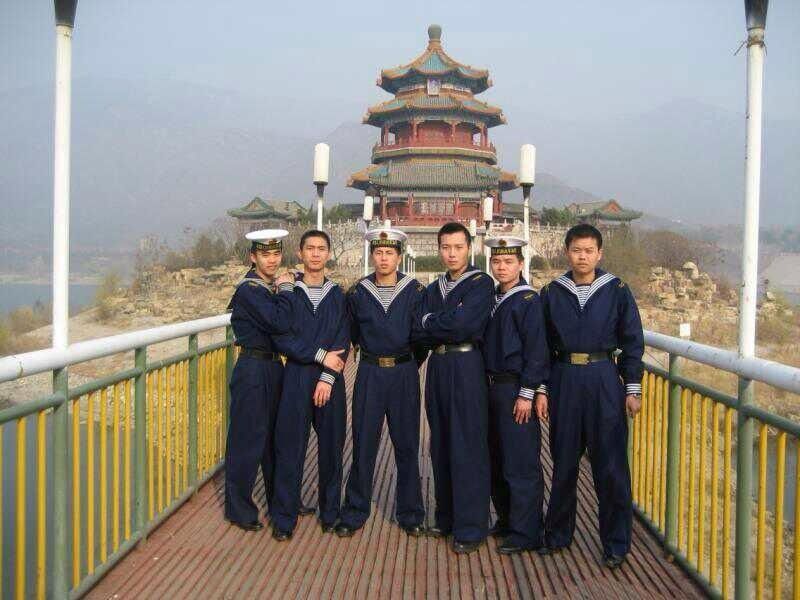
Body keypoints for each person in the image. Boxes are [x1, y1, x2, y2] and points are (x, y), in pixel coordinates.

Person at [537, 223, 644, 568]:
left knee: (610, 465)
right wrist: (541, 389)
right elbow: (541, 346)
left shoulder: (617, 290)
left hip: (603, 378)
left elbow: (632, 340)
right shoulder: (552, 292)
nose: (582, 257)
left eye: (588, 251)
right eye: (576, 250)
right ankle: (557, 535)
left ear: (599, 254)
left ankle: (616, 544)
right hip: (564, 377)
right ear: (566, 252)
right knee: (564, 461)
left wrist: (632, 387)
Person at [335, 228, 426, 538]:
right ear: (372, 255)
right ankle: (355, 511)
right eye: (378, 252)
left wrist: (408, 362)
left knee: (407, 444)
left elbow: (421, 338)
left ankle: (411, 513)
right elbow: (352, 335)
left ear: (399, 256)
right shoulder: (358, 293)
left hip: (403, 373)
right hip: (370, 373)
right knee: (363, 443)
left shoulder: (415, 291)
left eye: (389, 253)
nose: (384, 258)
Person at [416, 221, 493, 554]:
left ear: (470, 248)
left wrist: (433, 322)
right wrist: (441, 323)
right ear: (439, 249)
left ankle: (471, 527)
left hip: (466, 365)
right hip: (438, 366)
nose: (452, 254)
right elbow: (418, 328)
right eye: (446, 247)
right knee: (442, 443)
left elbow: (466, 325)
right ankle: (446, 517)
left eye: (458, 247)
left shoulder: (480, 283)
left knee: (468, 444)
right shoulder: (434, 288)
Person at [270, 229, 350, 540]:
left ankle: (330, 513)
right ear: (300, 254)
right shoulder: (289, 293)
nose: (315, 254)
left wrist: (328, 377)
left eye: (321, 248)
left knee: (332, 448)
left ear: (328, 253)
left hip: (330, 380)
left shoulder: (338, 295)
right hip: (297, 375)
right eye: (310, 248)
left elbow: (343, 338)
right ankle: (284, 519)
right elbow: (282, 337)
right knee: (289, 448)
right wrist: (319, 356)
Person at [224, 229, 298, 531]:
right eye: (265, 254)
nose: (272, 260)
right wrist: (288, 289)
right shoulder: (250, 290)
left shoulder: (268, 287)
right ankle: (239, 510)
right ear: (253, 257)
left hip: (273, 367)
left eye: (276, 254)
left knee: (274, 441)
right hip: (253, 368)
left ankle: (279, 501)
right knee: (247, 440)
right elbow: (280, 322)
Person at [482, 236, 549, 554]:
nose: (501, 267)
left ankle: (527, 530)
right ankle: (507, 519)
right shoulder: (492, 298)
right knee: (496, 457)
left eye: (508, 261)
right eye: (496, 261)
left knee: (520, 461)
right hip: (491, 387)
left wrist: (528, 393)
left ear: (521, 264)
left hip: (515, 388)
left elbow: (537, 351)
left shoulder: (528, 300)